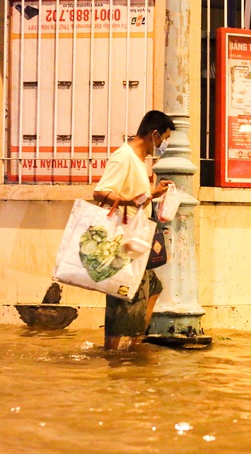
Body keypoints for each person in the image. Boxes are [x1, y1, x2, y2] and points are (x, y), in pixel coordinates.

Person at [92, 110, 175, 351]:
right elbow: (100, 193)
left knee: (152, 290)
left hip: (139, 242)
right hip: (125, 243)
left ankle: (133, 348)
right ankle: (116, 356)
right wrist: (136, 200)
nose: (163, 145)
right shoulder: (124, 157)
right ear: (154, 134)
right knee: (122, 301)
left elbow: (138, 197)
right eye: (163, 139)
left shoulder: (139, 160)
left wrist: (154, 197)